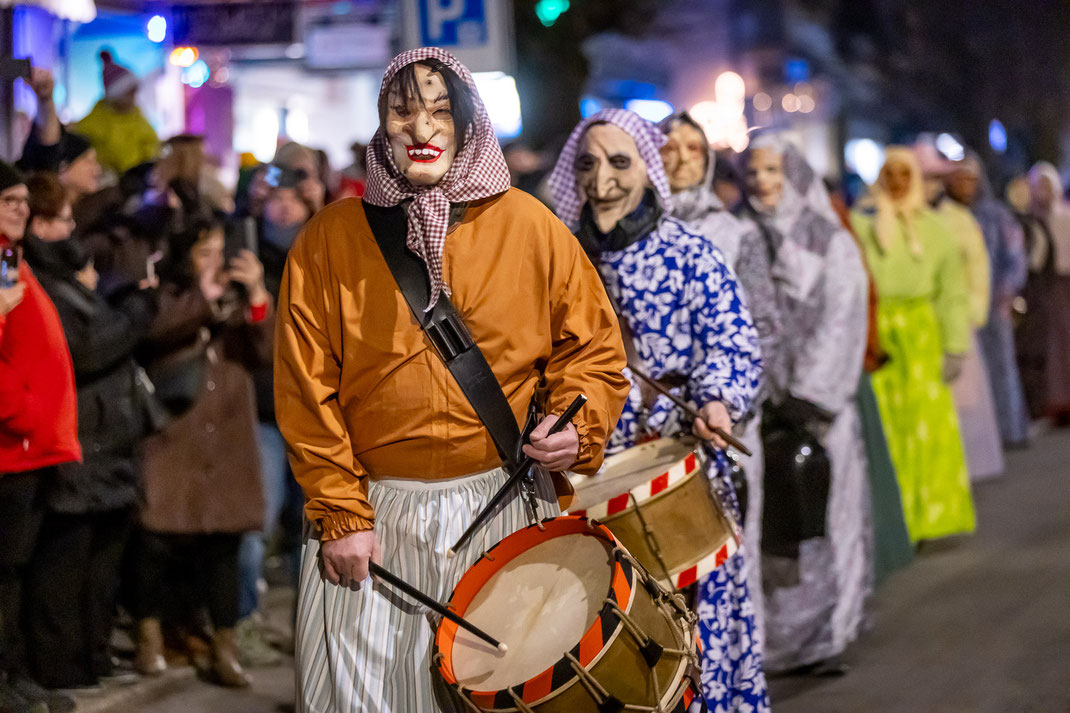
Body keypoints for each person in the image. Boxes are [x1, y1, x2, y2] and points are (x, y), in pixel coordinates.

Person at [276, 48, 629, 713]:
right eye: (402, 109)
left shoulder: (530, 227)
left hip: (501, 507)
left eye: (442, 110)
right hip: (374, 519)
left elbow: (593, 351)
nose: (422, 127)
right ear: (382, 123)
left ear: (469, 125)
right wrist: (340, 511)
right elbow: (305, 388)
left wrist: (573, 427)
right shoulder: (328, 240)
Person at [547, 108, 769, 711]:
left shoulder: (692, 254)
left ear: (649, 170)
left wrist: (718, 401)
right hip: (592, 483)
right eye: (588, 164)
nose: (602, 180)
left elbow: (733, 340)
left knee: (699, 637)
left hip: (683, 473)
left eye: (620, 162)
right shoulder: (561, 264)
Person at [737, 135, 871, 674]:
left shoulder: (829, 241)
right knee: (775, 530)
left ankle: (826, 637)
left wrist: (809, 394)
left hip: (818, 413)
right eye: (753, 172)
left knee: (825, 523)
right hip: (764, 412)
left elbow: (842, 318)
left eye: (773, 169)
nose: (763, 181)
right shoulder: (740, 236)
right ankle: (780, 641)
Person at [19, 173, 158, 691]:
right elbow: (89, 348)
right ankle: (57, 665)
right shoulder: (38, 279)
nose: (67, 227)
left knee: (100, 560)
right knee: (65, 560)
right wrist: (138, 309)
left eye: (67, 218)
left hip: (108, 437)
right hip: (79, 437)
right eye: (54, 220)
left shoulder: (74, 274)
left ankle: (91, 654)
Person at [132, 219, 272, 688]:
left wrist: (256, 296)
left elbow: (270, 352)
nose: (216, 261)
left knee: (224, 546)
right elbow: (154, 333)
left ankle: (223, 647)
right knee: (154, 539)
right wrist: (205, 298)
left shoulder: (242, 300)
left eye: (221, 251)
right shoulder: (169, 294)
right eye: (205, 252)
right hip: (175, 436)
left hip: (227, 441)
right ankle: (148, 634)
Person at [658, 112, 780, 643]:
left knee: (725, 564)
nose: (682, 157)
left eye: (693, 148)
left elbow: (764, 326)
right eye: (669, 146)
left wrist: (736, 401)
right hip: (656, 435)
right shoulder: (624, 233)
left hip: (723, 425)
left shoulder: (734, 233)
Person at [851, 147, 975, 543]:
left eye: (906, 174)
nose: (899, 183)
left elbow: (952, 291)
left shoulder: (935, 229)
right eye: (891, 174)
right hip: (880, 336)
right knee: (887, 429)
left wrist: (955, 345)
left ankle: (928, 518)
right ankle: (894, 521)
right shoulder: (861, 225)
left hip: (922, 338)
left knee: (926, 430)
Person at [0, 162, 80, 713]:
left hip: (29, 448)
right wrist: (21, 411)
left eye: (24, 200)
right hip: (13, 445)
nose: (21, 208)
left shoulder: (11, 259)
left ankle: (12, 673)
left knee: (14, 574)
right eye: (8, 200)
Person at [925, 156, 1005, 480]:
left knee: (968, 398)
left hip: (966, 316)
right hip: (944, 319)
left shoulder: (963, 219)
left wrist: (975, 309)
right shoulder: (934, 220)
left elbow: (978, 268)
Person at [946, 154, 1030, 448]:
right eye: (959, 179)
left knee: (1001, 367)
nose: (965, 185)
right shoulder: (945, 216)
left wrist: (1007, 291)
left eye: (970, 179)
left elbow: (1015, 256)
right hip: (959, 306)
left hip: (994, 304)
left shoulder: (995, 215)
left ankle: (1010, 430)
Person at [1026, 162, 1070, 424]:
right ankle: (1055, 399)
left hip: (1065, 283)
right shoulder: (1031, 221)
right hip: (1045, 286)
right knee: (1050, 343)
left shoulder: (1065, 216)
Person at [1007, 174, 1053, 418]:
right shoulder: (1012, 223)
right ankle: (1027, 408)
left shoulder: (1037, 223)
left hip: (1038, 289)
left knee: (1038, 349)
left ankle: (1037, 405)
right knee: (1023, 350)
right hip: (1020, 290)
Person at [72, 51, 159, 178]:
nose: (133, 98)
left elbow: (152, 146)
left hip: (137, 182)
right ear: (115, 95)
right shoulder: (92, 124)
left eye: (133, 93)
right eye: (128, 94)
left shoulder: (138, 117)